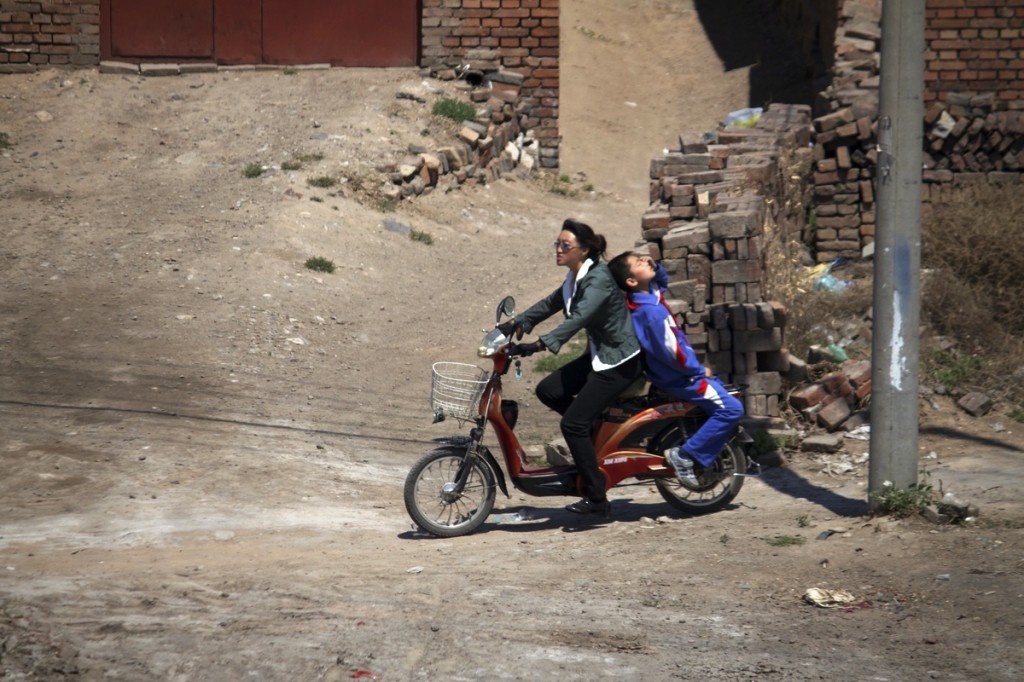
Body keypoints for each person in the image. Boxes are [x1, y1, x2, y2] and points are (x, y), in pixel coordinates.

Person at [502, 219, 643, 515]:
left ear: (584, 250)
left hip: (619, 361)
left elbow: (577, 318)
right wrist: (519, 322)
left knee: (572, 424)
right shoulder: (575, 278)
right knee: (549, 391)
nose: (558, 249)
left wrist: (538, 345)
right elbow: (552, 302)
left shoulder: (598, 279)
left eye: (565, 246)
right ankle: (595, 433)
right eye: (557, 244)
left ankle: (597, 498)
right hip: (599, 355)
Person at [607, 251, 744, 486]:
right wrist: (698, 370)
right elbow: (673, 352)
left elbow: (661, 281)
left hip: (676, 374)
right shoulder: (650, 312)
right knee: (732, 409)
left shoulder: (646, 296)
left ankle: (704, 446)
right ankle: (685, 455)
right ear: (631, 281)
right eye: (638, 262)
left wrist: (654, 265)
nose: (644, 260)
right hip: (681, 378)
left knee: (723, 393)